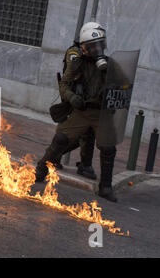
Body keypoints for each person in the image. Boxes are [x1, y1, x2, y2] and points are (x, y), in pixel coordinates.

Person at [35, 22, 118, 202]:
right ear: (84, 48)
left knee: (108, 147)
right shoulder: (77, 61)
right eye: (92, 46)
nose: (97, 49)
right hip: (81, 110)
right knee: (61, 139)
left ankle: (105, 187)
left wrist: (110, 84)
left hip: (100, 113)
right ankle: (41, 169)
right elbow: (64, 84)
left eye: (100, 45)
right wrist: (72, 97)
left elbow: (120, 89)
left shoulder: (110, 65)